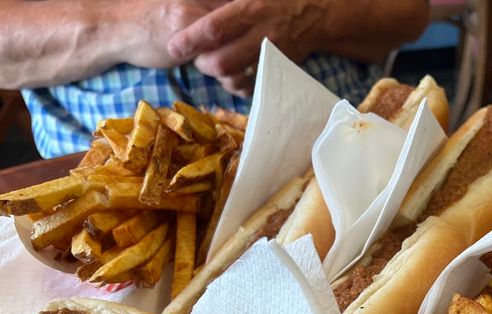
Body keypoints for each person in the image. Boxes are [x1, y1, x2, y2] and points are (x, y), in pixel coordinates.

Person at [0, 0, 430, 158]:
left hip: (352, 152)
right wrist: (126, 23)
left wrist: (316, 16)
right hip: (103, 190)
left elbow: (410, 15)